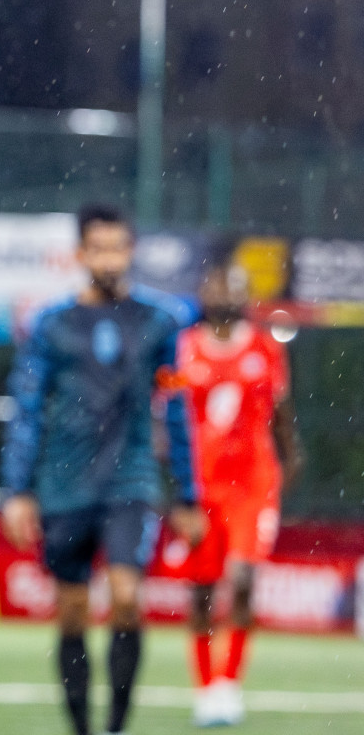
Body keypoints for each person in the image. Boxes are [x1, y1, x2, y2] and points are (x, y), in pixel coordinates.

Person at [0, 203, 205, 735]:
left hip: (131, 479)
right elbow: (27, 409)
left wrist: (186, 494)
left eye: (119, 248)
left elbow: (176, 409)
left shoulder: (161, 322)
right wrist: (18, 490)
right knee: (71, 612)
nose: (110, 259)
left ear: (131, 251)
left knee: (127, 597)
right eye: (100, 249)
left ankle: (115, 726)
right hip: (64, 482)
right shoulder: (50, 325)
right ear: (81, 255)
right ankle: (82, 729)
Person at [167, 242, 301, 727]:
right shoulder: (182, 350)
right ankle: (205, 689)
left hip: (253, 484)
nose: (224, 292)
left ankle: (229, 684)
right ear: (203, 291)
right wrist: (174, 490)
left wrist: (293, 453)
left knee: (242, 582)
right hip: (201, 490)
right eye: (216, 283)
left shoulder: (265, 347)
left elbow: (281, 412)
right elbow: (167, 425)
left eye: (233, 285)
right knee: (201, 593)